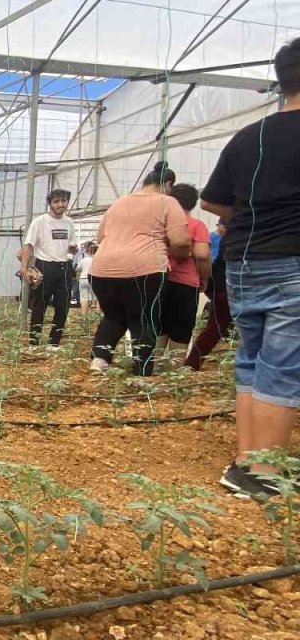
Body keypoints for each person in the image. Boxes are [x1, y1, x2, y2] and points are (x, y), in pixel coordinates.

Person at [200, 38, 300, 499]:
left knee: (252, 358)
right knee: (283, 365)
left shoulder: (249, 136)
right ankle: (264, 473)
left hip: (243, 261)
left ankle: (246, 460)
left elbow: (212, 200)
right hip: (291, 261)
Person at [87, 161, 191, 376]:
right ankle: (142, 369)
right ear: (168, 183)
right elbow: (180, 241)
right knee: (143, 317)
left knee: (113, 316)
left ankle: (99, 361)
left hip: (102, 271)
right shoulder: (167, 202)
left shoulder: (120, 202)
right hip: (144, 269)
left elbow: (100, 237)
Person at [155, 184, 211, 368]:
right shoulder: (197, 225)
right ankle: (173, 375)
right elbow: (202, 255)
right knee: (181, 329)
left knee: (158, 326)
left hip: (160, 281)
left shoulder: (161, 224)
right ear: (193, 203)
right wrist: (205, 277)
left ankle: (150, 368)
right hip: (186, 285)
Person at [19, 189, 78, 349]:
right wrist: (24, 267)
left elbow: (71, 246)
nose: (61, 204)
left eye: (63, 201)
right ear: (50, 203)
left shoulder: (69, 222)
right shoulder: (40, 222)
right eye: (56, 201)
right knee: (40, 305)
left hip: (64, 267)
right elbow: (28, 244)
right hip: (45, 266)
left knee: (63, 306)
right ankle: (34, 343)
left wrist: (73, 250)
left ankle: (54, 343)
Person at [184, 228, 233, 371]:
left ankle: (191, 364)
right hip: (224, 286)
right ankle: (191, 365)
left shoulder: (234, 233)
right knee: (216, 327)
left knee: (216, 327)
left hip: (220, 285)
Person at [77, 242, 97, 311]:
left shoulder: (82, 259)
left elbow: (77, 269)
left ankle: (84, 317)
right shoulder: (96, 259)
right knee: (96, 298)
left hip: (83, 278)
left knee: (84, 298)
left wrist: (77, 277)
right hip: (93, 278)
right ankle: (95, 316)